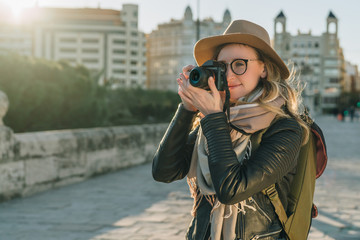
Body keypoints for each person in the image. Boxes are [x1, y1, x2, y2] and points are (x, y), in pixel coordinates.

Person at [152, 19, 310, 240]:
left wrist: (214, 117)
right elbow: (164, 171)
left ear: (263, 68)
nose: (228, 75)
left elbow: (231, 190)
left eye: (239, 64)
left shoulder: (286, 128)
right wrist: (188, 108)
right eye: (221, 66)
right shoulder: (214, 120)